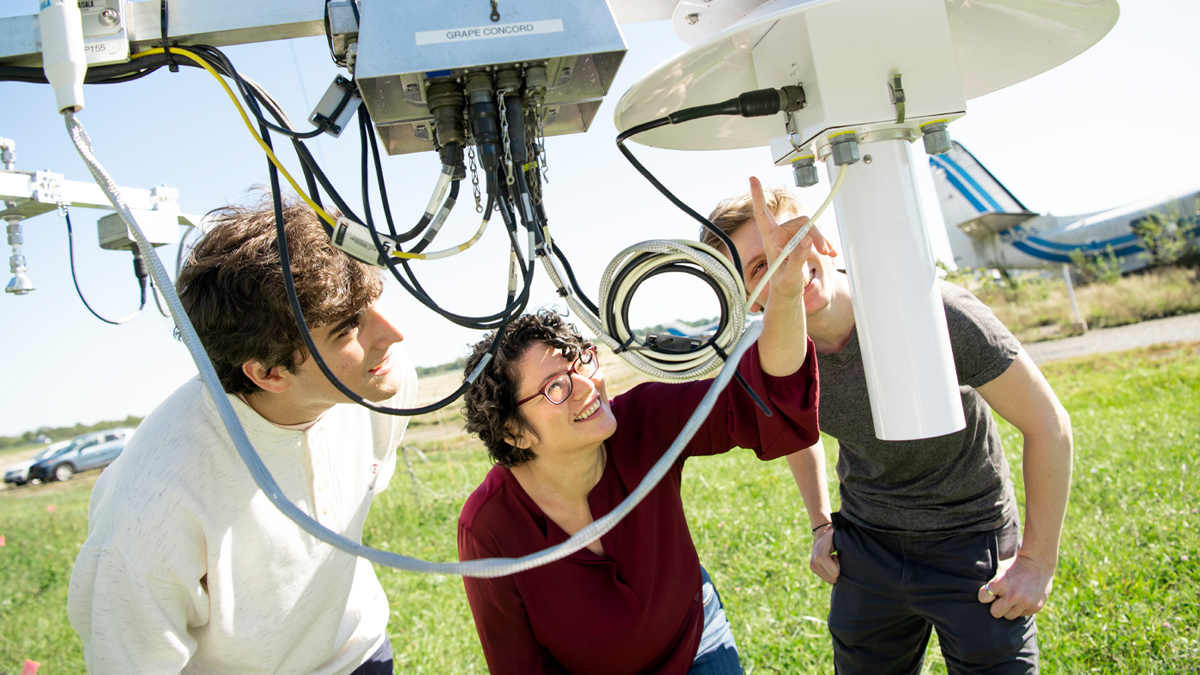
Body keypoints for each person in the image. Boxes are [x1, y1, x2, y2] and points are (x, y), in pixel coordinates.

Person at [704, 179, 1074, 674]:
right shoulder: (772, 359)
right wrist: (820, 523)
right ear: (747, 298)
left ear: (820, 240)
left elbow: (1048, 425)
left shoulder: (934, 312)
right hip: (867, 545)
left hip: (971, 537)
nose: (786, 267)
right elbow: (798, 431)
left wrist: (1037, 562)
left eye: (789, 244)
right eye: (759, 266)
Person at [455, 196, 834, 674]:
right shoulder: (489, 528)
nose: (588, 385)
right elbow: (517, 664)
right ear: (514, 432)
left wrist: (783, 294)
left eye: (582, 362)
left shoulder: (642, 420)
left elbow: (768, 405)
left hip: (698, 643)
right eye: (556, 387)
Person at [67, 194, 417, 674]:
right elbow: (128, 662)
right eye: (347, 327)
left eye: (375, 300)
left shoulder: (380, 384)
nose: (393, 334)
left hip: (361, 655)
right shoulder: (153, 504)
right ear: (269, 374)